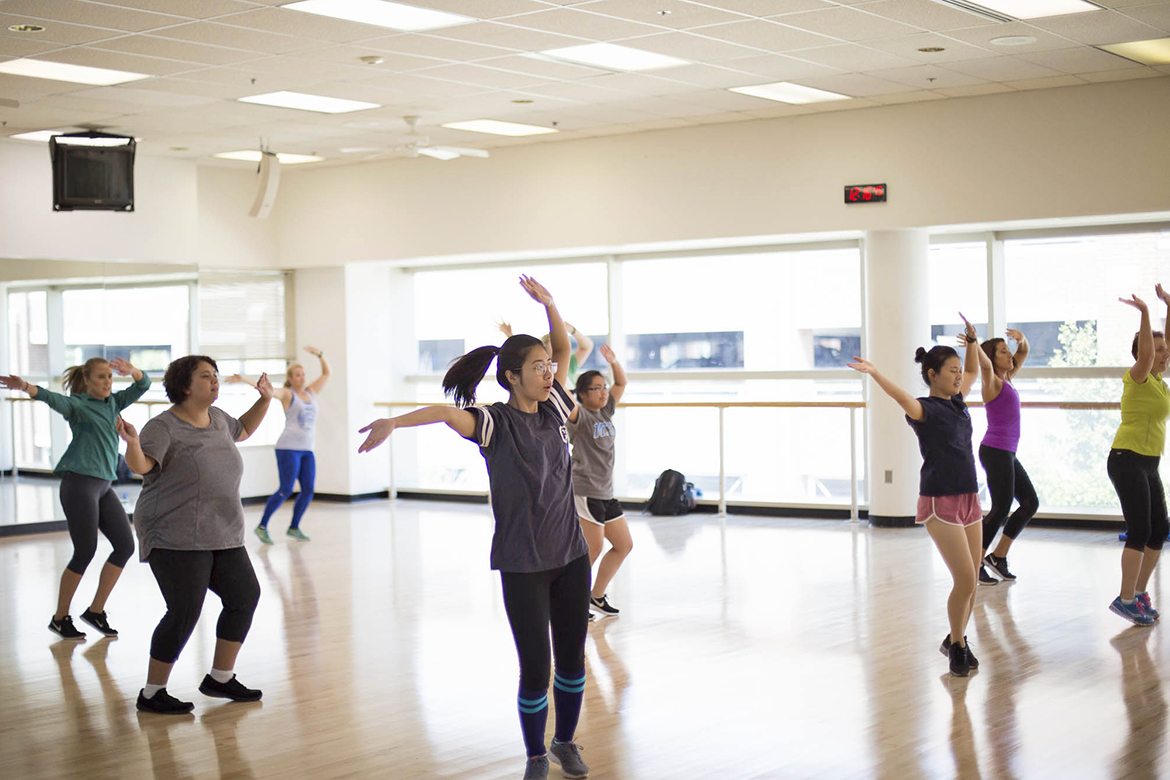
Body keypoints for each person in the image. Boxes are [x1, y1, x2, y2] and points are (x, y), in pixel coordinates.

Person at [362, 277, 591, 780]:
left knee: (571, 662)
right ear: (512, 377)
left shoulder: (555, 405)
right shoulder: (493, 422)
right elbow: (446, 412)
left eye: (549, 366)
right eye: (538, 368)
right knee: (536, 668)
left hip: (571, 554)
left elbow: (564, 347)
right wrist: (395, 423)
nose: (550, 372)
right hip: (523, 561)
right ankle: (535, 755)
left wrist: (551, 304)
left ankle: (565, 743)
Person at [119, 356, 273, 714]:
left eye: (216, 375)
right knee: (185, 609)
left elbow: (244, 430)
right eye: (206, 376)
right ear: (185, 386)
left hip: (222, 530)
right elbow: (142, 466)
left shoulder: (218, 419)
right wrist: (132, 443)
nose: (215, 381)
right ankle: (152, 692)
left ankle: (220, 678)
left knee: (244, 595)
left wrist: (265, 400)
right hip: (175, 532)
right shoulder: (163, 427)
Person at [848, 318, 984, 677]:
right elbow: (900, 396)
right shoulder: (925, 409)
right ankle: (956, 645)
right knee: (967, 579)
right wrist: (875, 373)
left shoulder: (959, 401)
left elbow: (972, 370)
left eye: (958, 371)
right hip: (940, 501)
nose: (959, 377)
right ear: (932, 373)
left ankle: (958, 639)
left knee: (973, 581)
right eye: (951, 371)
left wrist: (972, 341)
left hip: (970, 497)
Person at [2, 357, 149, 641]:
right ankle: (60, 618)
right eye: (101, 378)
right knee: (85, 551)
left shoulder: (114, 404)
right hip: (79, 484)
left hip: (104, 486)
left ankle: (96, 611)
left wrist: (132, 371)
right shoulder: (78, 405)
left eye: (109, 377)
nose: (107, 382)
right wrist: (26, 386)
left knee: (125, 546)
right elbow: (52, 398)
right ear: (87, 381)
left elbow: (142, 384)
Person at [1106, 288, 1170, 626]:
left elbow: (1163, 347)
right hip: (1126, 458)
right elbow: (1147, 354)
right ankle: (1125, 597)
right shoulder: (1138, 377)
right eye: (1158, 350)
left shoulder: (1159, 382)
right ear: (1141, 355)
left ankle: (1139, 594)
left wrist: (1169, 307)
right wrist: (1145, 311)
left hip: (1148, 463)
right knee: (1140, 529)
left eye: (1165, 350)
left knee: (1160, 529)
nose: (1163, 354)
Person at [228, 346, 330, 544]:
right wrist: (244, 379)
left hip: (307, 449)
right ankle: (262, 526)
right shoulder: (287, 394)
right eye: (298, 375)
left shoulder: (311, 392)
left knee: (308, 490)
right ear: (291, 379)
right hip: (288, 448)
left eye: (303, 375)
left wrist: (320, 355)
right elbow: (268, 390)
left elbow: (327, 373)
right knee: (286, 488)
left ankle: (294, 527)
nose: (302, 378)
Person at [567, 344, 631, 618]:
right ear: (582, 394)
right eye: (596, 388)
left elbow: (621, 382)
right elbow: (561, 397)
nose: (604, 391)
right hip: (585, 490)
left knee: (623, 545)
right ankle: (571, 602)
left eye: (603, 387)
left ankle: (596, 596)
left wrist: (614, 361)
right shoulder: (580, 416)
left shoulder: (605, 412)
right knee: (591, 549)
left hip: (605, 492)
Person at [975, 329, 1039, 585]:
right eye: (1003, 351)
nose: (1010, 354)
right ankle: (975, 563)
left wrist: (1022, 338)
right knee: (1000, 509)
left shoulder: (1008, 376)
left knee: (1030, 503)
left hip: (1007, 453)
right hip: (995, 451)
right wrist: (973, 342)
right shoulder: (992, 382)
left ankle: (997, 557)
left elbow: (1023, 351)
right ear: (991, 359)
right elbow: (982, 362)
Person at [500, 318, 593, 383]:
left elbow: (587, 346)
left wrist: (572, 330)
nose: (557, 357)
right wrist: (511, 337)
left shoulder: (568, 365)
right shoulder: (541, 377)